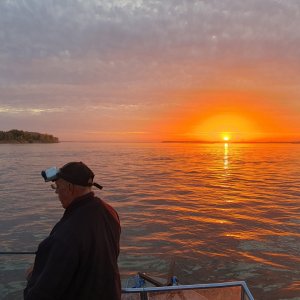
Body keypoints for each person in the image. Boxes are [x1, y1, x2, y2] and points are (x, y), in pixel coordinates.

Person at [24, 161, 121, 300]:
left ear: (70, 188)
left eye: (57, 187)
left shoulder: (66, 233)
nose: (57, 193)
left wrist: (33, 276)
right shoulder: (110, 212)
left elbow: (41, 294)